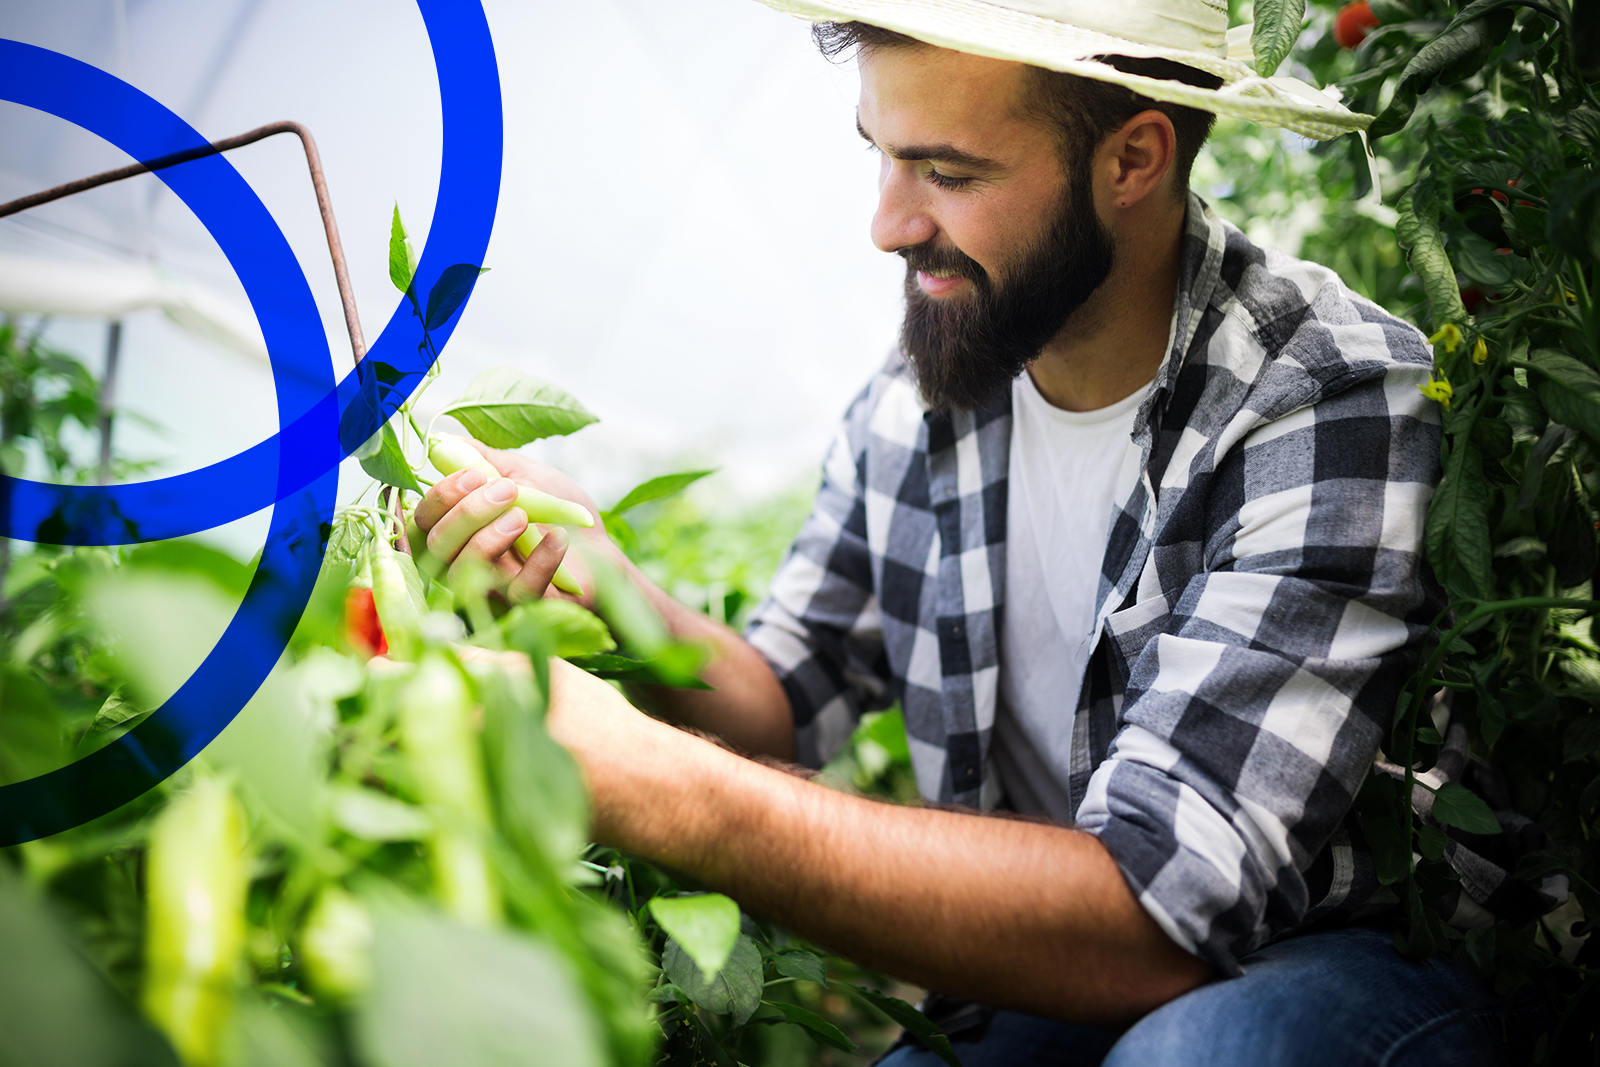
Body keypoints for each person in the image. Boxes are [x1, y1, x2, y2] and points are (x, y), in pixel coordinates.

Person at [413, 2, 1548, 1062]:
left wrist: (666, 786)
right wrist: (610, 586)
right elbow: (786, 698)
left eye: (947, 172)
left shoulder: (1319, 395)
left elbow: (1157, 915)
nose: (888, 224)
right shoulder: (920, 399)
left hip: (1324, 959)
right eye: (881, 151)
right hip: (1048, 973)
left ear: (1133, 160)